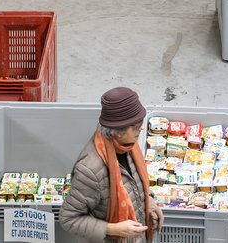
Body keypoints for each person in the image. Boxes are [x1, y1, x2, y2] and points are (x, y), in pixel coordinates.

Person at [61, 87, 163, 243]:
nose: (141, 129)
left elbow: (133, 183)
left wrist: (148, 202)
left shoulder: (129, 145)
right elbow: (69, 219)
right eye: (136, 126)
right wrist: (113, 229)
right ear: (118, 131)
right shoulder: (90, 170)